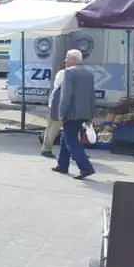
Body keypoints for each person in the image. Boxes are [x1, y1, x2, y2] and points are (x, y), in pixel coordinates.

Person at [53, 49, 97, 180]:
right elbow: (92, 95)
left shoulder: (69, 73)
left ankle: (86, 167)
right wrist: (91, 114)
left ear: (73, 59)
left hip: (72, 113)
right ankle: (62, 165)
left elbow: (66, 95)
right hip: (85, 112)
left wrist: (62, 113)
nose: (65, 60)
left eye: (67, 57)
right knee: (64, 138)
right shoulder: (89, 74)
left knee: (71, 140)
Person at [41, 67, 66, 158]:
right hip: (57, 106)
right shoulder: (62, 73)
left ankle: (77, 151)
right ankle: (46, 149)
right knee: (52, 129)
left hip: (70, 107)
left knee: (74, 130)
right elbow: (60, 84)